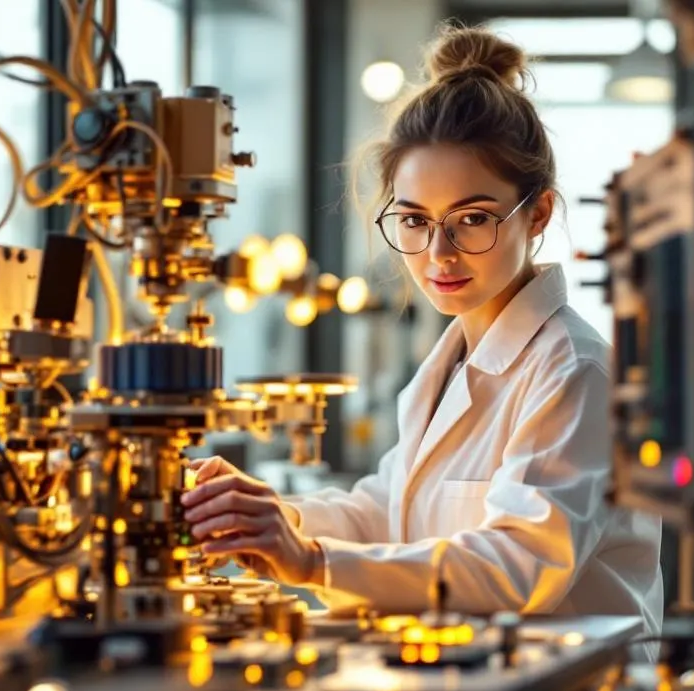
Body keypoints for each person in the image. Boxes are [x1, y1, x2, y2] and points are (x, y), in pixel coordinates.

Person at [181, 24, 664, 631]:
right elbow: (385, 513)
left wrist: (308, 560)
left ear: (537, 212)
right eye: (414, 221)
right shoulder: (453, 360)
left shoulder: (575, 371)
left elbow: (521, 565)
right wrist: (265, 514)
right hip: (486, 686)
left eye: (473, 218)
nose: (439, 253)